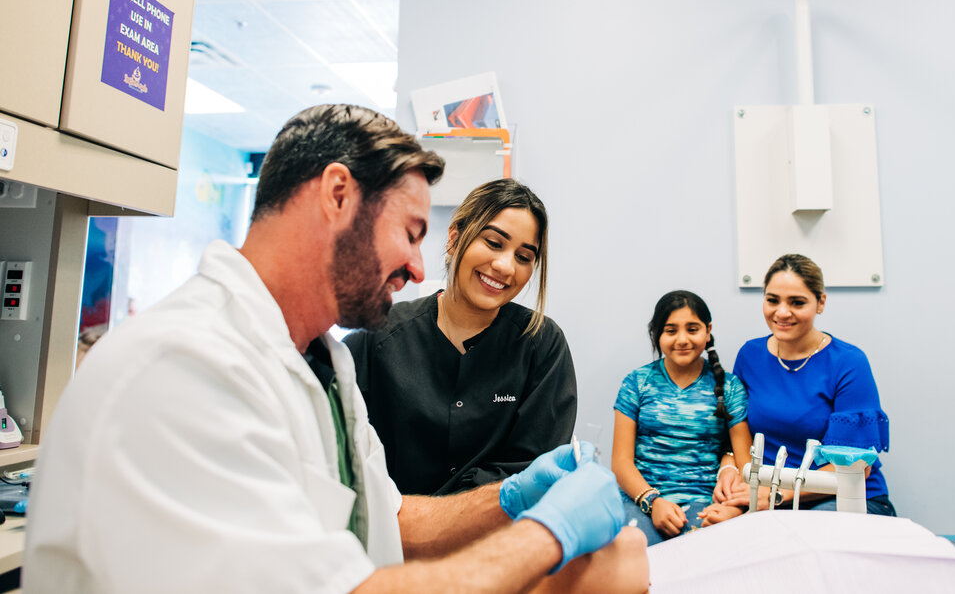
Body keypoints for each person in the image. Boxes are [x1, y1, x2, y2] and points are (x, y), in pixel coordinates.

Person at [23, 104, 648, 593]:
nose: (414, 264)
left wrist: (510, 497)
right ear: (338, 194)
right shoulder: (181, 368)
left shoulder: (327, 366)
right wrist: (548, 535)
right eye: (410, 232)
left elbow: (392, 522)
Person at [346, 178, 576, 495]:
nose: (505, 266)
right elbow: (342, 453)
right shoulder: (378, 337)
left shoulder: (541, 345)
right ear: (454, 238)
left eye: (523, 257)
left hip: (495, 536)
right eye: (494, 243)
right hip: (393, 532)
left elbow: (533, 471)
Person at [704, 253, 896, 521]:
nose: (782, 312)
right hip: (767, 497)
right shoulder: (750, 355)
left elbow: (856, 468)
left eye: (797, 302)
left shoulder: (848, 363)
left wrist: (774, 495)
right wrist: (728, 471)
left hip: (841, 498)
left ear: (820, 303)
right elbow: (737, 434)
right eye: (773, 300)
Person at [610, 290, 752, 545]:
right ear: (657, 333)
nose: (682, 339)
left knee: (701, 552)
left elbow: (746, 465)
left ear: (708, 331)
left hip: (706, 501)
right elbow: (621, 462)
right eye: (671, 330)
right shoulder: (637, 383)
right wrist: (653, 502)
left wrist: (733, 508)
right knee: (631, 548)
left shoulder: (730, 387)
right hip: (642, 496)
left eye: (693, 329)